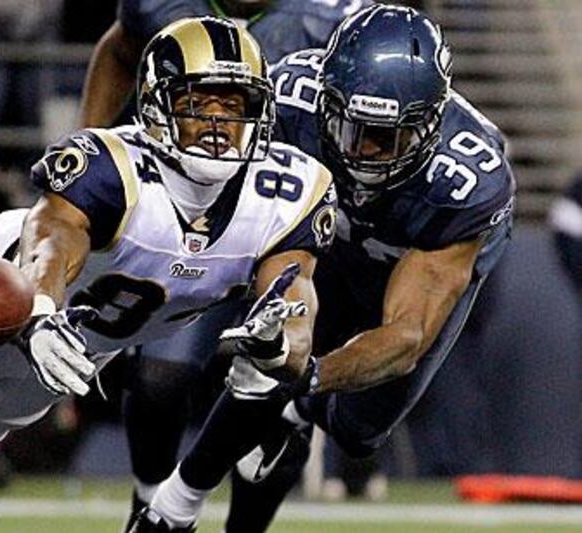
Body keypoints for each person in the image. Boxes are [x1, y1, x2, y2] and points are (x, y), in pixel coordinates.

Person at [0, 17, 337, 532]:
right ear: (158, 104)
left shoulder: (286, 195)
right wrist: (41, 310)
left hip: (78, 353)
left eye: (235, 103)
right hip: (8, 295)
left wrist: (280, 342)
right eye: (199, 102)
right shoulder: (116, 164)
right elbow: (53, 236)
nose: (218, 122)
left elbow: (294, 298)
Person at [131, 5, 515, 531]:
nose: (361, 152)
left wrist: (310, 376)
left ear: (428, 125)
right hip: (311, 241)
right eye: (348, 126)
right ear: (325, 97)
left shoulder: (465, 183)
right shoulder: (289, 98)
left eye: (385, 137)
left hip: (397, 268)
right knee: (248, 357)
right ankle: (174, 506)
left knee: (359, 429)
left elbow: (405, 336)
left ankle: (286, 420)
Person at [80, 0, 370, 128]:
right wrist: (88, 134)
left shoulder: (337, 17)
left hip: (282, 166)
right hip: (173, 160)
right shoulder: (158, 6)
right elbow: (121, 52)